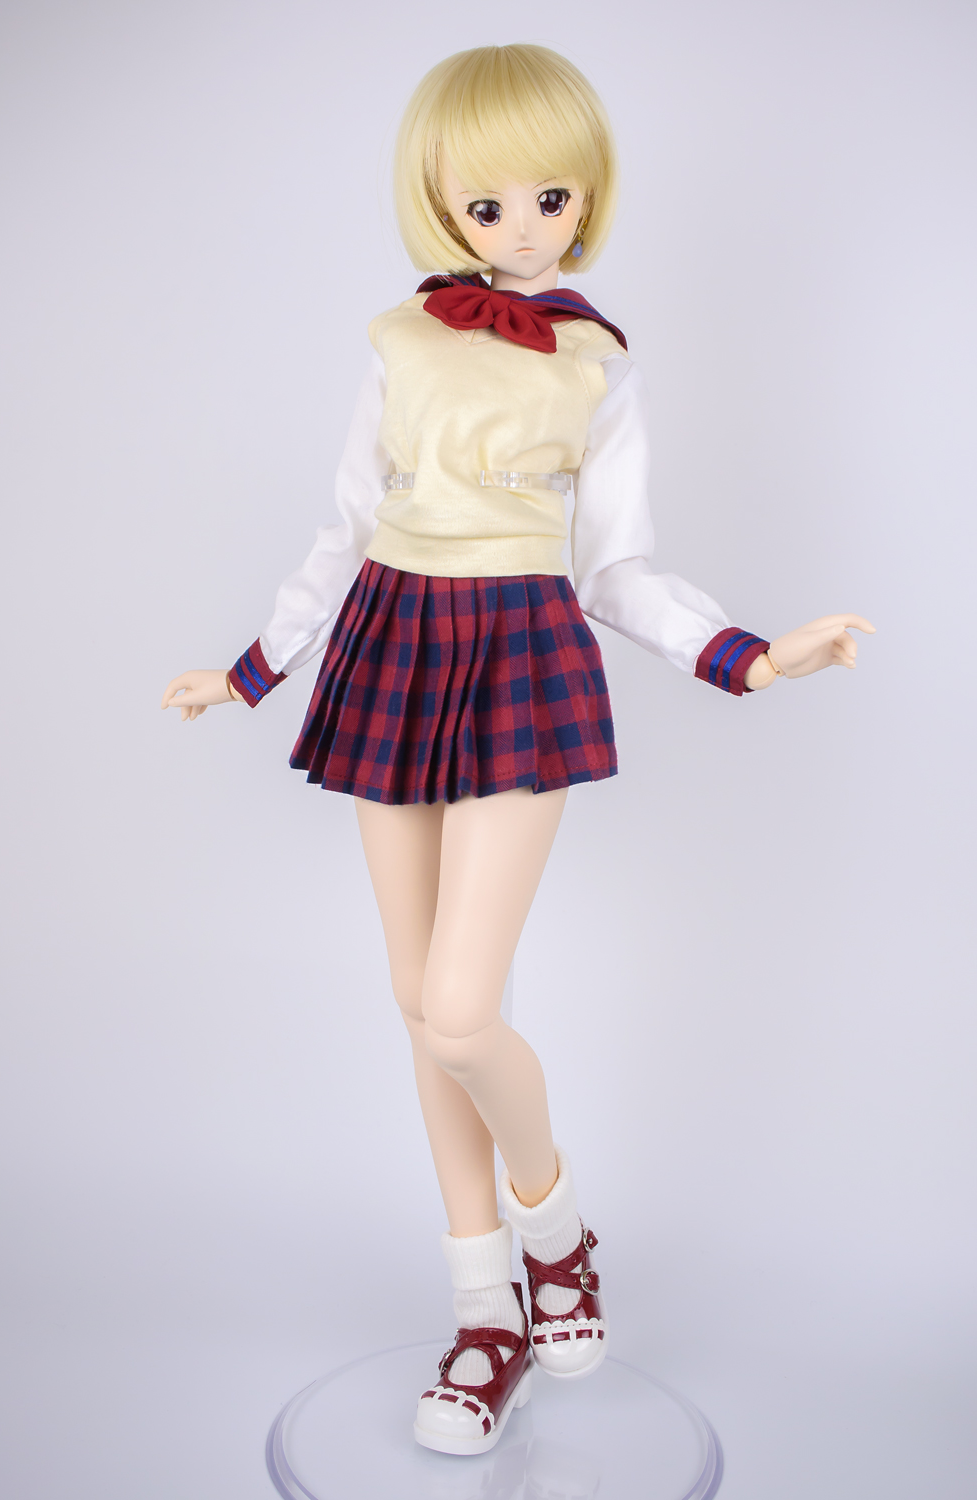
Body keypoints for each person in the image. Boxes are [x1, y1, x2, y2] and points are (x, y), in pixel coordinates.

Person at [161, 43, 874, 1457]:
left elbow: (617, 569)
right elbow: (347, 525)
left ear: (587, 193)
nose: (527, 227)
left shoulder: (599, 363)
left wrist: (746, 653)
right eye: (488, 205)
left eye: (552, 196)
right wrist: (251, 669)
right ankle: (487, 1312)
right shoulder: (397, 338)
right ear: (440, 203)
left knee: (460, 1005)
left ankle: (559, 1233)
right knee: (415, 1004)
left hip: (518, 654)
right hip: (391, 639)